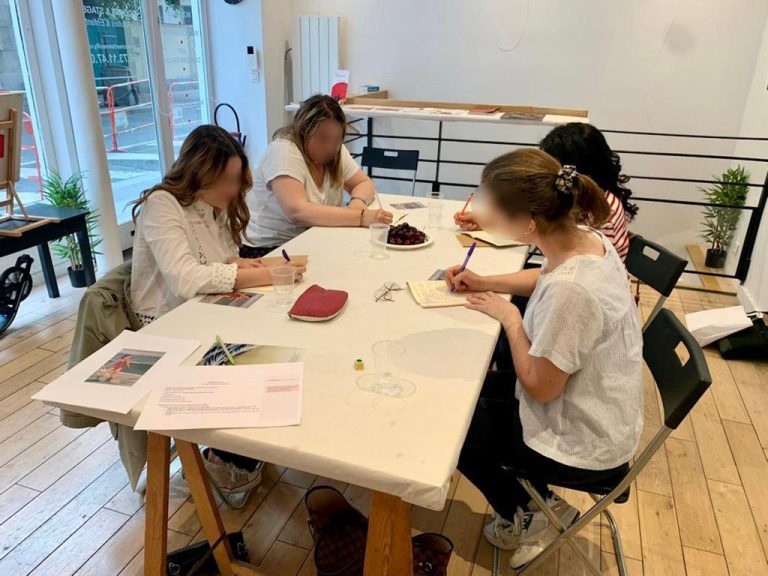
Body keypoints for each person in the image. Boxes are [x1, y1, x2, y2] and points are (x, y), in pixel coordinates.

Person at [445, 149, 642, 569]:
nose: (488, 217)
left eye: (495, 210)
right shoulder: (587, 239)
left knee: (452, 426)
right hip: (598, 408)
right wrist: (485, 282)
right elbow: (546, 274)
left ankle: (527, 512)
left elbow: (541, 387)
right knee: (467, 392)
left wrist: (510, 318)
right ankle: (539, 501)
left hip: (584, 441)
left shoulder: (574, 291)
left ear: (528, 223)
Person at [130, 124, 306, 497]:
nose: (233, 189)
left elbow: (221, 258)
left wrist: (247, 266)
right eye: (225, 180)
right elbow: (185, 278)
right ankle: (224, 458)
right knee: (256, 359)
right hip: (168, 326)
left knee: (281, 337)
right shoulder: (162, 204)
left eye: (236, 179)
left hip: (203, 312)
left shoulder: (213, 206)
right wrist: (265, 275)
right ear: (198, 172)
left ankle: (239, 451)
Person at [456, 123, 637, 262]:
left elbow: (557, 268)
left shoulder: (597, 214)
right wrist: (493, 222)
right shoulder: (590, 199)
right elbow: (542, 232)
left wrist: (484, 282)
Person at [241, 94, 393, 257]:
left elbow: (363, 183)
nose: (330, 147)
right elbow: (297, 211)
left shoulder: (336, 152)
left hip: (310, 238)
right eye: (323, 139)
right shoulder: (283, 152)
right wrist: (360, 217)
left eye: (336, 140)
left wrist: (357, 202)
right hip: (270, 248)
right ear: (304, 131)